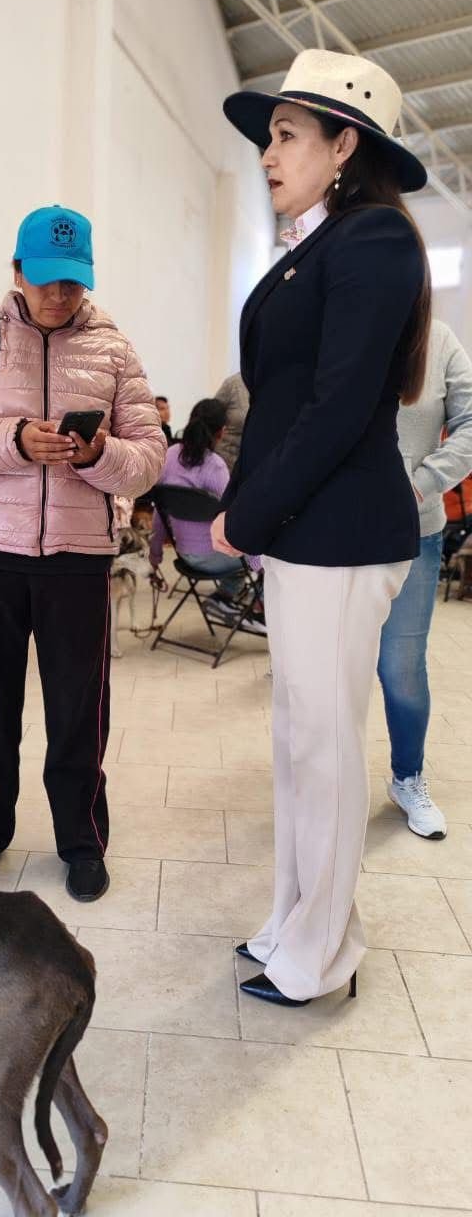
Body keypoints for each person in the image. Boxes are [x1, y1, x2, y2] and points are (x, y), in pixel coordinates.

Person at [215, 49, 430, 1006]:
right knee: (300, 740)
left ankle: (323, 951)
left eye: (287, 134)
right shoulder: (318, 244)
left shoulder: (373, 241)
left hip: (342, 532)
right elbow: (280, 400)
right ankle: (294, 920)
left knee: (326, 746)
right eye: (270, 136)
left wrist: (247, 514)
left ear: (346, 145)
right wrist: (253, 508)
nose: (268, 152)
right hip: (306, 531)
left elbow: (340, 406)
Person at [0, 205, 165, 901]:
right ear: (19, 271)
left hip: (79, 559)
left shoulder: (114, 351)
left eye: (73, 282)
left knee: (78, 710)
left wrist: (97, 454)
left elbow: (147, 460)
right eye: (47, 279)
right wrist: (14, 439)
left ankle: (82, 841)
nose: (60, 295)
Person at [378, 319, 472, 840]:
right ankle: (325, 786)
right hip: (334, 533)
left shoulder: (437, 339)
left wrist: (422, 482)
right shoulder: (334, 319)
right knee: (327, 667)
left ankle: (407, 776)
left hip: (415, 530)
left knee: (402, 667)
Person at [150, 398, 255, 621]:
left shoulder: (169, 456)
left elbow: (158, 511)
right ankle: (225, 599)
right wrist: (257, 562)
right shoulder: (214, 466)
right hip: (214, 558)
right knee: (266, 553)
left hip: (183, 556)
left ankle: (235, 598)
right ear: (222, 432)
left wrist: (155, 554)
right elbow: (235, 518)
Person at [214, 372, 249, 473]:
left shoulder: (271, 387)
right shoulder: (233, 384)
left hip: (253, 466)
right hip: (224, 464)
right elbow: (209, 415)